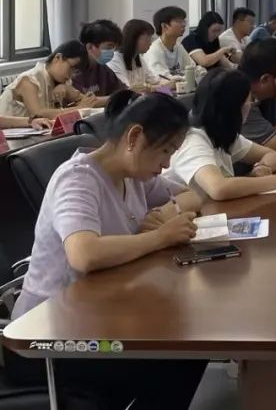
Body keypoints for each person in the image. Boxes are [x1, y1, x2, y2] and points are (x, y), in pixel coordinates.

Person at [7, 90, 207, 409]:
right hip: (48, 340)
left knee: (186, 344)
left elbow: (192, 196)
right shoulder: (77, 179)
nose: (167, 164)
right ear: (135, 138)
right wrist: (160, 237)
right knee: (175, 355)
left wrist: (163, 214)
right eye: (165, 151)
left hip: (98, 318)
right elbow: (84, 254)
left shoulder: (134, 177)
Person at [164, 70, 276, 201]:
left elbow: (273, 155)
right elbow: (218, 188)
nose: (251, 105)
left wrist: (261, 168)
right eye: (249, 101)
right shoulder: (193, 141)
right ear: (234, 109)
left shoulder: (222, 132)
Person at [0, 41, 98, 119]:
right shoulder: (29, 80)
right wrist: (79, 108)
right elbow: (38, 114)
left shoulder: (62, 81)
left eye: (76, 72)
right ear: (58, 57)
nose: (71, 75)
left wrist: (73, 94)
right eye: (71, 68)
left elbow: (88, 102)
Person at [108, 19, 168, 91]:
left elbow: (154, 80)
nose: (150, 43)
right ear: (134, 39)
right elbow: (127, 90)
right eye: (147, 39)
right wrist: (155, 88)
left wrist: (171, 84)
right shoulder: (114, 60)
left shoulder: (137, 57)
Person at [72, 19, 124, 98]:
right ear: (90, 47)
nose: (112, 52)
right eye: (109, 47)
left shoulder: (104, 71)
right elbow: (81, 102)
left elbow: (123, 93)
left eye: (114, 48)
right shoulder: (72, 71)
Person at [144, 6, 199, 81]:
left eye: (184, 21)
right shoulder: (154, 49)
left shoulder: (178, 47)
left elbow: (192, 68)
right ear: (164, 26)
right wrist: (186, 77)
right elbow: (162, 77)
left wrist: (200, 71)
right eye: (178, 21)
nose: (183, 25)